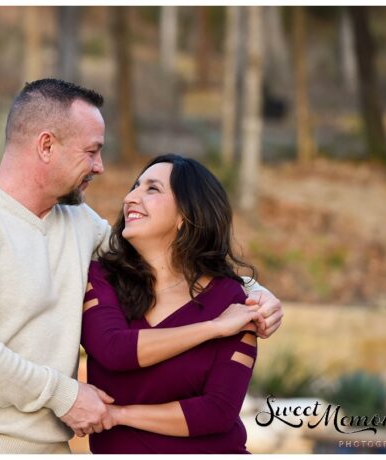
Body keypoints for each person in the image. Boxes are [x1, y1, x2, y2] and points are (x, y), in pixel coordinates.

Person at [0, 79, 285, 454]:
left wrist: (255, 294)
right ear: (46, 145)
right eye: (91, 152)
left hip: (49, 449)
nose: (100, 167)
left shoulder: (79, 224)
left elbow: (165, 257)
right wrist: (65, 396)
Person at [81, 154, 261, 453]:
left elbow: (218, 411)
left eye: (152, 189)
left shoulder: (230, 299)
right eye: (135, 187)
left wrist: (120, 415)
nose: (130, 198)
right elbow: (114, 350)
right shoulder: (100, 278)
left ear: (185, 215)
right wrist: (213, 328)